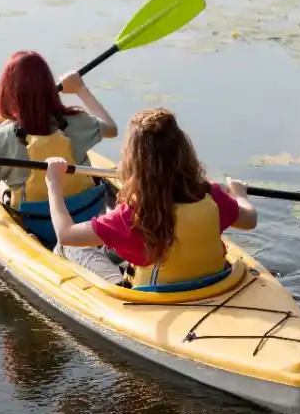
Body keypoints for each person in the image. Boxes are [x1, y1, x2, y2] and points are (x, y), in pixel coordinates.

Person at [43, 107, 257, 291]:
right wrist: (239, 195)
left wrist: (53, 184)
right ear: (183, 152)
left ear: (133, 160)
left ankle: (115, 280)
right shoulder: (210, 194)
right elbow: (249, 220)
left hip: (155, 293)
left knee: (70, 248)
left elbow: (65, 235)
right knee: (116, 245)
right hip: (215, 283)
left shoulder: (134, 214)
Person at [0, 50, 118, 246]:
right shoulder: (77, 121)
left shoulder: (2, 138)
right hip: (87, 220)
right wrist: (80, 89)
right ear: (50, 87)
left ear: (7, 92)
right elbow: (111, 128)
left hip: (39, 229)